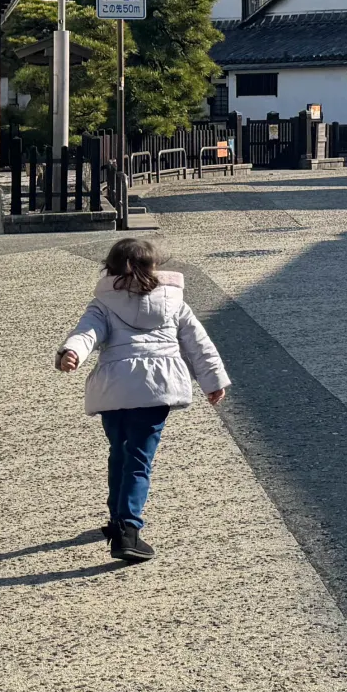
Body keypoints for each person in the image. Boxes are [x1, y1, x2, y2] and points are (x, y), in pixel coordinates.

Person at [55, 237, 229, 562]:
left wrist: (71, 353)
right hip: (156, 387)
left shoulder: (103, 303)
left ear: (110, 268)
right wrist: (212, 381)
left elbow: (87, 332)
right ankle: (129, 529)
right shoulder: (173, 300)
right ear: (154, 268)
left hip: (114, 387)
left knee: (119, 451)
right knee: (139, 458)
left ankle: (116, 518)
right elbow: (197, 343)